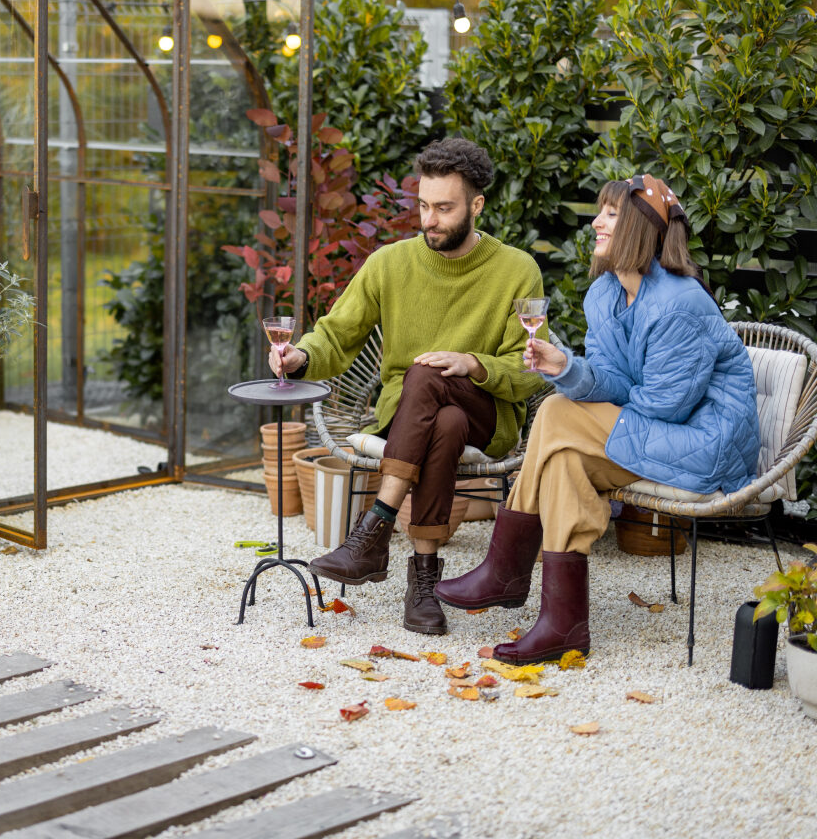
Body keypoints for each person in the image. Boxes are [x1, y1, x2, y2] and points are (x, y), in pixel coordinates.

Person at [434, 174, 761, 663]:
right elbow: (612, 379)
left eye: (609, 214)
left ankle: (505, 568)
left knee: (559, 414)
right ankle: (562, 626)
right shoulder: (605, 294)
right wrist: (566, 367)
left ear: (638, 226)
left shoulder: (681, 302)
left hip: (703, 443)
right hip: (650, 439)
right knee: (564, 456)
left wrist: (581, 396)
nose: (595, 223)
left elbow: (667, 405)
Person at [269, 137, 545, 636]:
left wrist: (472, 364)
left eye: (444, 208)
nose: (430, 219)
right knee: (444, 418)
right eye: (423, 206)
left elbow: (529, 370)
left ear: (476, 205)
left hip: (488, 413)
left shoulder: (516, 269)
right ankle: (423, 581)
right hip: (414, 417)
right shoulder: (390, 264)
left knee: (432, 379)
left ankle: (373, 531)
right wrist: (301, 355)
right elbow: (337, 333)